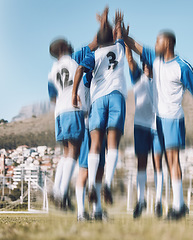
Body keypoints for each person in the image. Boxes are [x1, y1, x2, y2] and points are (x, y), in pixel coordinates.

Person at [124, 29, 193, 220]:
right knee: (168, 164)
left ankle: (178, 206)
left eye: (158, 42)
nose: (155, 45)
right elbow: (135, 46)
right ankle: (178, 205)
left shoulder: (181, 66)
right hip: (158, 121)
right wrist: (121, 34)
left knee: (172, 161)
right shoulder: (155, 59)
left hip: (173, 119)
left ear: (167, 44)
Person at [72, 10, 127, 206]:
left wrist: (73, 93)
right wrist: (116, 23)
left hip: (98, 100)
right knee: (112, 143)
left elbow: (79, 68)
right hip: (116, 97)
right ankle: (107, 184)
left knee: (95, 144)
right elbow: (119, 35)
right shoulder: (119, 49)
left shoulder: (94, 55)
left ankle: (90, 188)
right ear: (112, 39)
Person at [48, 35, 96, 208]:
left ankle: (56, 189)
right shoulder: (74, 62)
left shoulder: (52, 71)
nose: (70, 43)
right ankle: (61, 193)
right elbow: (93, 46)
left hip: (59, 112)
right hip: (73, 109)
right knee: (73, 153)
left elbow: (52, 96)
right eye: (66, 43)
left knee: (66, 153)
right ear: (62, 49)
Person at [125, 44, 165, 218]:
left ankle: (158, 201)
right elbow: (129, 59)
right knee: (141, 163)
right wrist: (125, 42)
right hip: (140, 126)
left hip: (157, 126)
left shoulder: (160, 81)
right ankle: (140, 201)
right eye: (145, 63)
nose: (146, 65)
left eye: (149, 63)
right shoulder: (137, 78)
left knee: (158, 163)